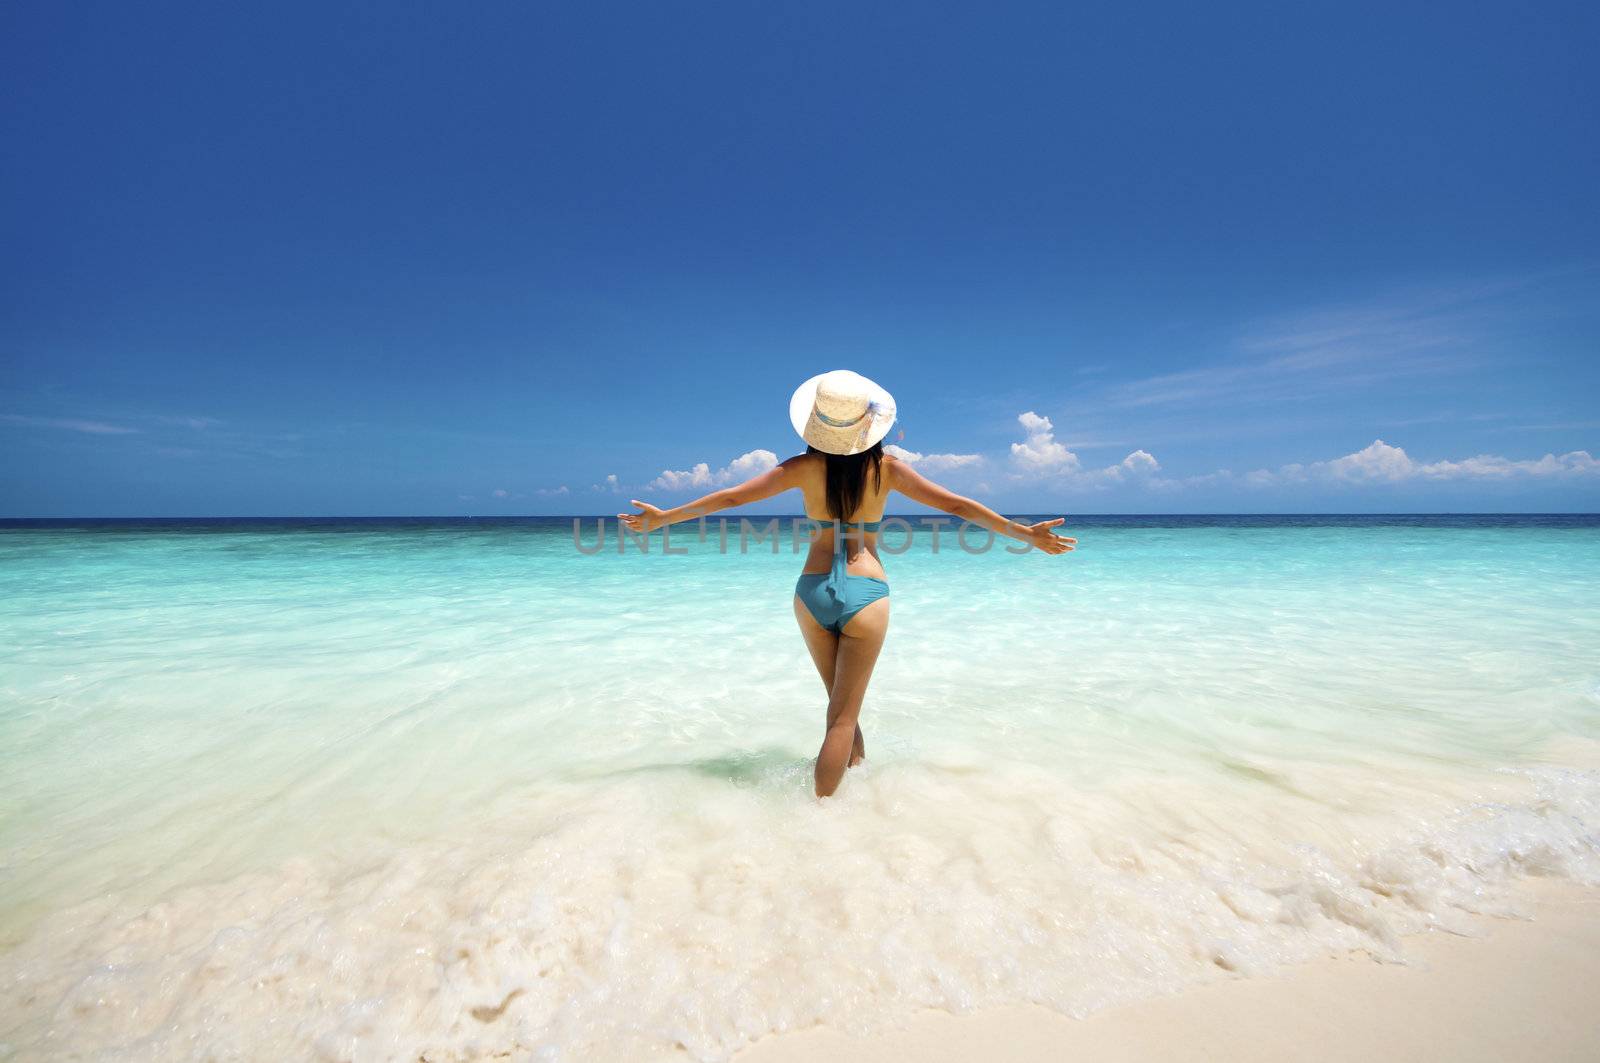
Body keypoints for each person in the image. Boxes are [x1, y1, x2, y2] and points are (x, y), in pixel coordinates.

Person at [619, 370, 1075, 796]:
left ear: (818, 425)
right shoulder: (889, 470)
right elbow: (957, 507)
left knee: (839, 709)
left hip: (811, 594)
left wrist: (665, 519)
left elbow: (733, 496)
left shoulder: (800, 468)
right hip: (866, 593)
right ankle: (822, 822)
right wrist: (1026, 535)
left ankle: (852, 800)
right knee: (842, 717)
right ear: (867, 426)